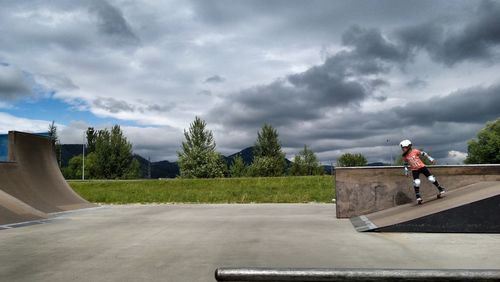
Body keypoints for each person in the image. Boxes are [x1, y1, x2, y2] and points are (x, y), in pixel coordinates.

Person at [400, 139, 445, 204]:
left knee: (431, 178)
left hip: (422, 167)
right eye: (402, 148)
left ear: (409, 146)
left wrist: (431, 159)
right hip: (414, 170)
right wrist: (406, 171)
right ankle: (418, 196)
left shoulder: (415, 151)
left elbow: (424, 154)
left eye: (404, 148)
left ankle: (440, 188)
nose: (403, 149)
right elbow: (405, 163)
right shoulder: (404, 156)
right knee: (417, 182)